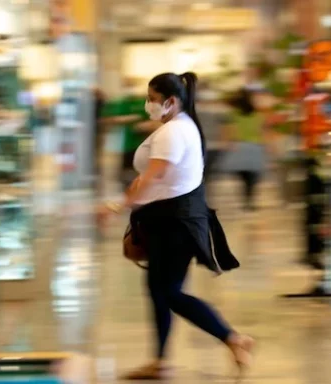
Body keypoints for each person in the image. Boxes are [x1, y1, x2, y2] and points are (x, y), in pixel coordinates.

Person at [101, 72, 254, 380]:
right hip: (170, 219)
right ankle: (160, 362)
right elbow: (152, 177)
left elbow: (153, 177)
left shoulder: (174, 133)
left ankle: (233, 339)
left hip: (175, 223)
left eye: (152, 100)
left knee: (169, 292)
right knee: (159, 290)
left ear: (170, 102)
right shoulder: (178, 127)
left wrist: (117, 207)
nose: (148, 105)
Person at [220, 88, 267, 211]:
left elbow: (229, 130)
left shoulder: (232, 114)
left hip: (239, 147)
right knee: (253, 176)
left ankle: (246, 198)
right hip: (255, 147)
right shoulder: (258, 114)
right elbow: (261, 130)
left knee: (242, 175)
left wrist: (227, 143)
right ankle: (249, 199)